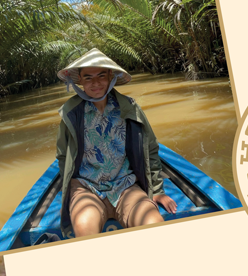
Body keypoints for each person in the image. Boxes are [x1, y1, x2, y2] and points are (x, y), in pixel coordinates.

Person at [54, 50, 177, 239]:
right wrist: (70, 190)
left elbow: (150, 148)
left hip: (126, 185)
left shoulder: (129, 108)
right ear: (80, 80)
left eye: (101, 75)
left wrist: (157, 191)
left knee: (153, 223)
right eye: (88, 77)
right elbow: (63, 156)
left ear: (111, 76)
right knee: (84, 226)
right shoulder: (72, 113)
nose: (95, 83)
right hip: (87, 187)